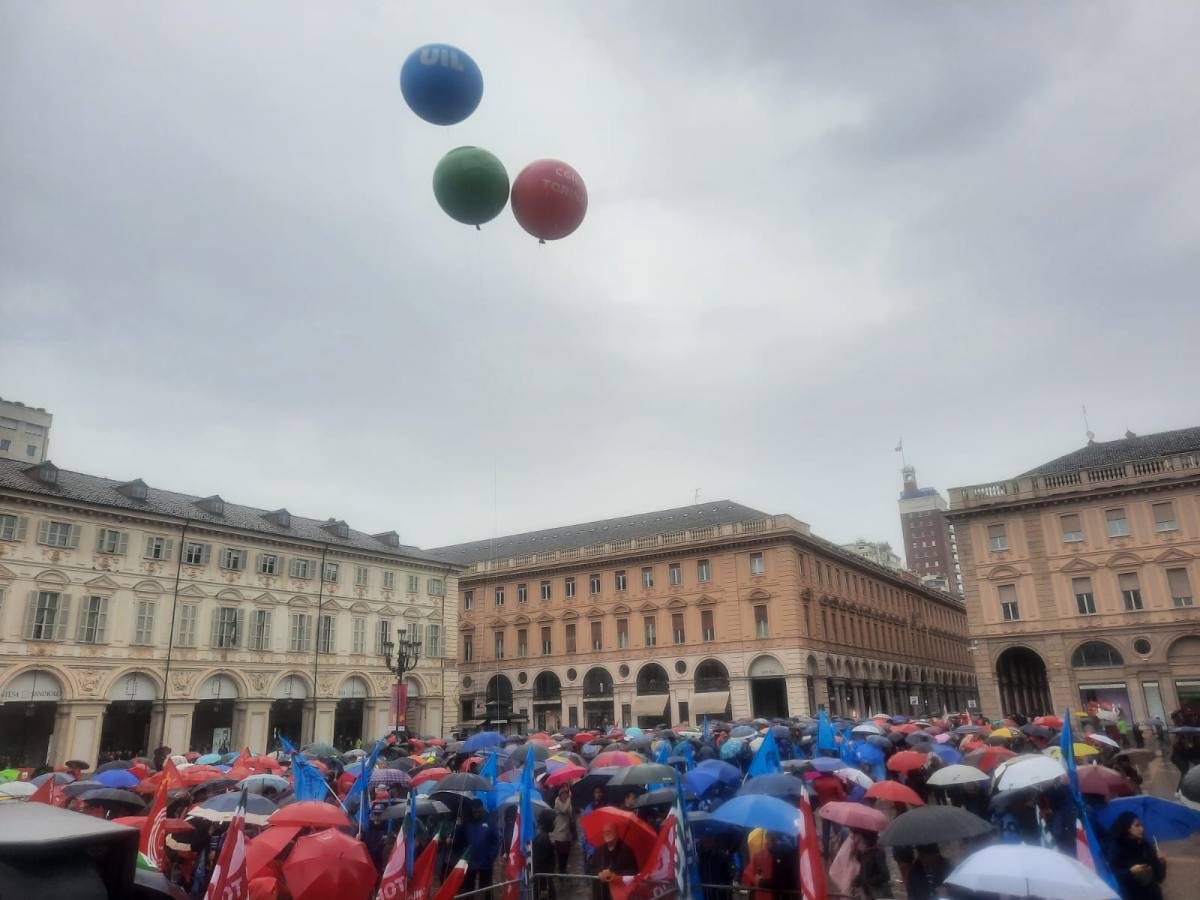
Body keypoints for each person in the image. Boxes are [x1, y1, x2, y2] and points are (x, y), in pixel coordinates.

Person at [1109, 812, 1167, 900]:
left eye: (1141, 825)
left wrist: (1161, 862)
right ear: (1127, 827)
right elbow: (1111, 876)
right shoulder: (1116, 849)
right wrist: (1130, 872)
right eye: (1137, 825)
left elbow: (1159, 878)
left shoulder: (1145, 845)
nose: (1142, 829)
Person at [594, 824, 639, 900]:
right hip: (601, 892)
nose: (606, 834)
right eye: (604, 832)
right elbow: (592, 867)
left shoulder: (627, 851)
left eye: (609, 831)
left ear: (616, 832)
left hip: (619, 893)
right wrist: (599, 873)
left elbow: (633, 872)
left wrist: (615, 875)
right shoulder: (599, 850)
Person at [550, 785, 574, 874]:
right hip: (559, 834)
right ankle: (561, 870)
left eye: (566, 793)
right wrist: (569, 799)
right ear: (560, 794)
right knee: (560, 855)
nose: (565, 795)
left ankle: (564, 869)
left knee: (566, 854)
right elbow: (563, 810)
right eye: (563, 793)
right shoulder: (557, 802)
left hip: (567, 833)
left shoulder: (568, 803)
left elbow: (570, 814)